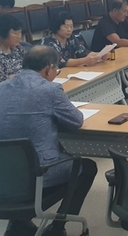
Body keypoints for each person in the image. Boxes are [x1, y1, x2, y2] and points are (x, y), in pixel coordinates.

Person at [0, 46, 97, 236]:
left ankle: (19, 224)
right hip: (39, 176)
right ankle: (57, 228)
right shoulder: (50, 90)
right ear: (49, 69)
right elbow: (76, 121)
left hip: (5, 176)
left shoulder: (2, 87)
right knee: (86, 167)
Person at [0, 14, 27, 82]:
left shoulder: (18, 48)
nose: (19, 37)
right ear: (2, 34)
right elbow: (3, 81)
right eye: (15, 33)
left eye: (20, 33)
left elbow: (32, 65)